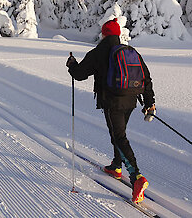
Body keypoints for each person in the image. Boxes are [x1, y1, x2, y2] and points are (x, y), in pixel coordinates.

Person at [66, 18, 156, 204]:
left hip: (112, 101)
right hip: (131, 100)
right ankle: (116, 166)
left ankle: (137, 177)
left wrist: (71, 64)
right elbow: (146, 78)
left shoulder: (99, 52)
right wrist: (149, 103)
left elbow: (80, 74)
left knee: (119, 137)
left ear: (104, 34)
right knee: (117, 133)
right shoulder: (130, 52)